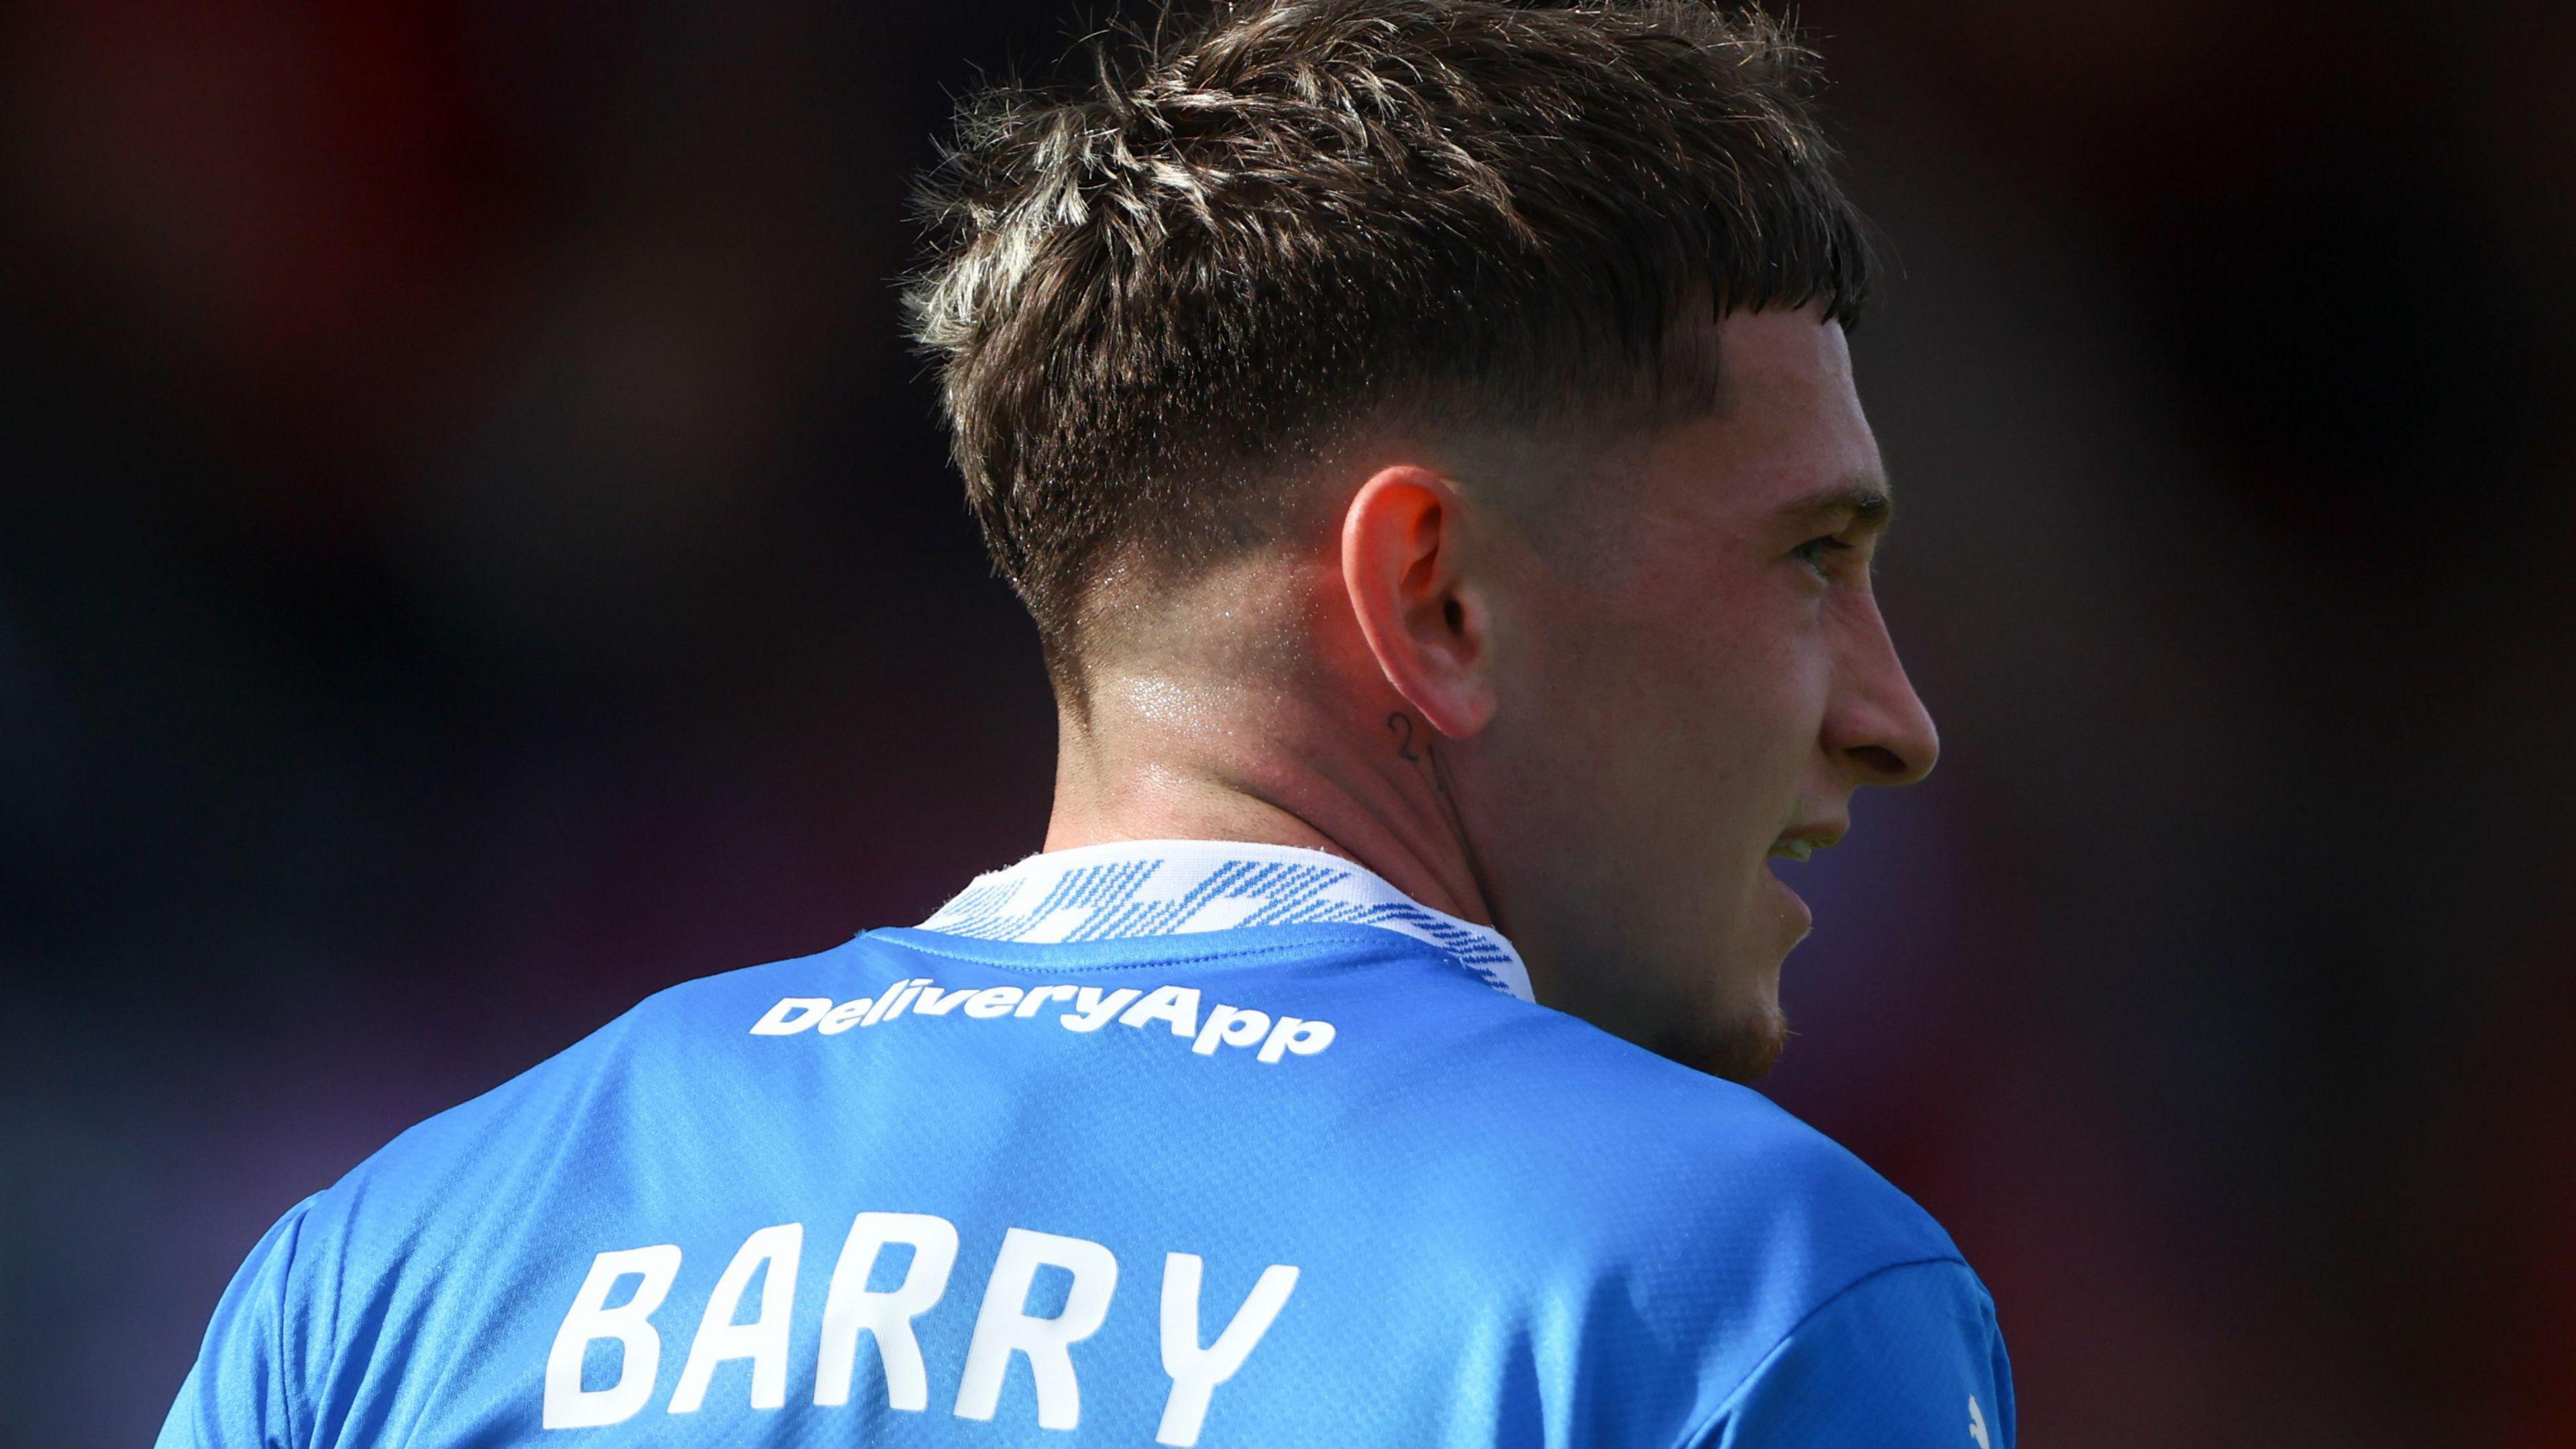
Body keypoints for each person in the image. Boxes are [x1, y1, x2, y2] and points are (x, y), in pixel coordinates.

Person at [160, 2, 2012, 1444]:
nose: (1894, 715)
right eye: (1807, 562)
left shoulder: (394, 1270)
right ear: (1437, 598)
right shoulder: (1741, 1299)